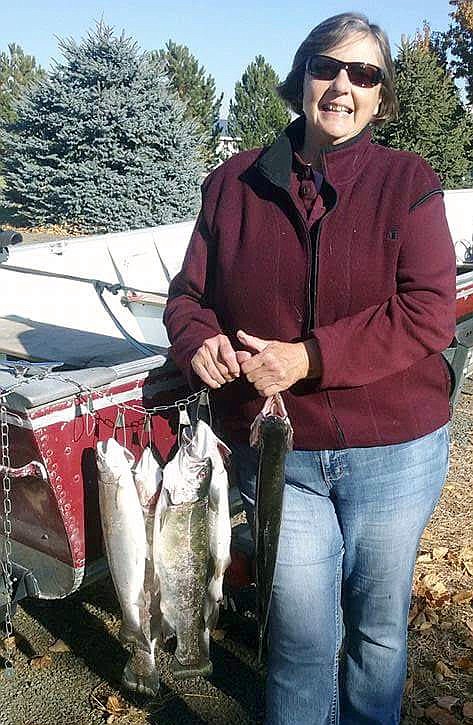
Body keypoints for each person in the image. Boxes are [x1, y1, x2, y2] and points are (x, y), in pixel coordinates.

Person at [164, 12, 456, 725]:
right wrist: (196, 339)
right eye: (327, 67)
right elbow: (187, 298)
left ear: (381, 98)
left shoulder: (406, 181)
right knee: (297, 639)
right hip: (279, 456)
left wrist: (309, 356)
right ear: (300, 79)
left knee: (377, 629)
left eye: (364, 74)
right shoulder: (230, 185)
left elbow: (428, 309)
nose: (342, 85)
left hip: (392, 450)